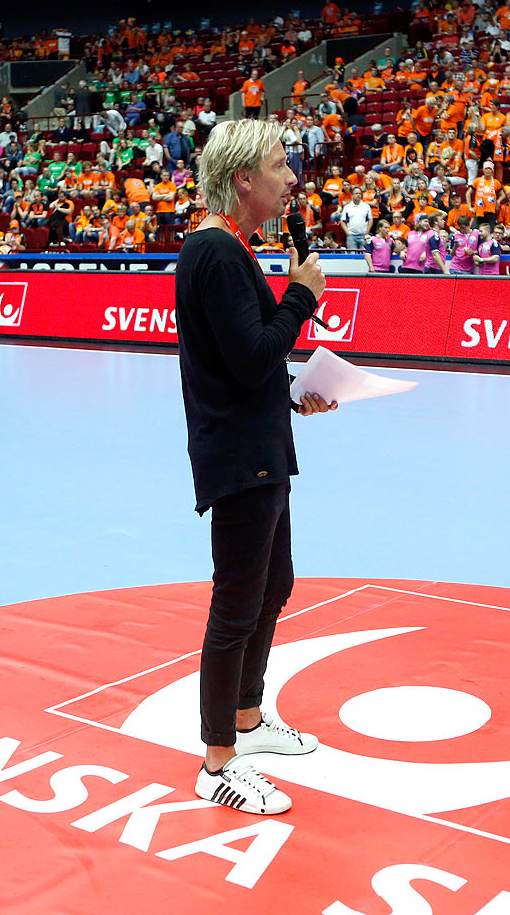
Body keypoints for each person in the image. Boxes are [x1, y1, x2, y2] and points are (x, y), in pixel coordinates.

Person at [174, 119, 333, 816]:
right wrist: (302, 294)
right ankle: (217, 763)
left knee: (274, 584)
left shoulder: (228, 250)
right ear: (244, 179)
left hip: (260, 445)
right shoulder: (215, 253)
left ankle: (245, 715)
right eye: (278, 165)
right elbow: (247, 354)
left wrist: (294, 396)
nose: (290, 177)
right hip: (239, 457)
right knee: (237, 602)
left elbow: (248, 360)